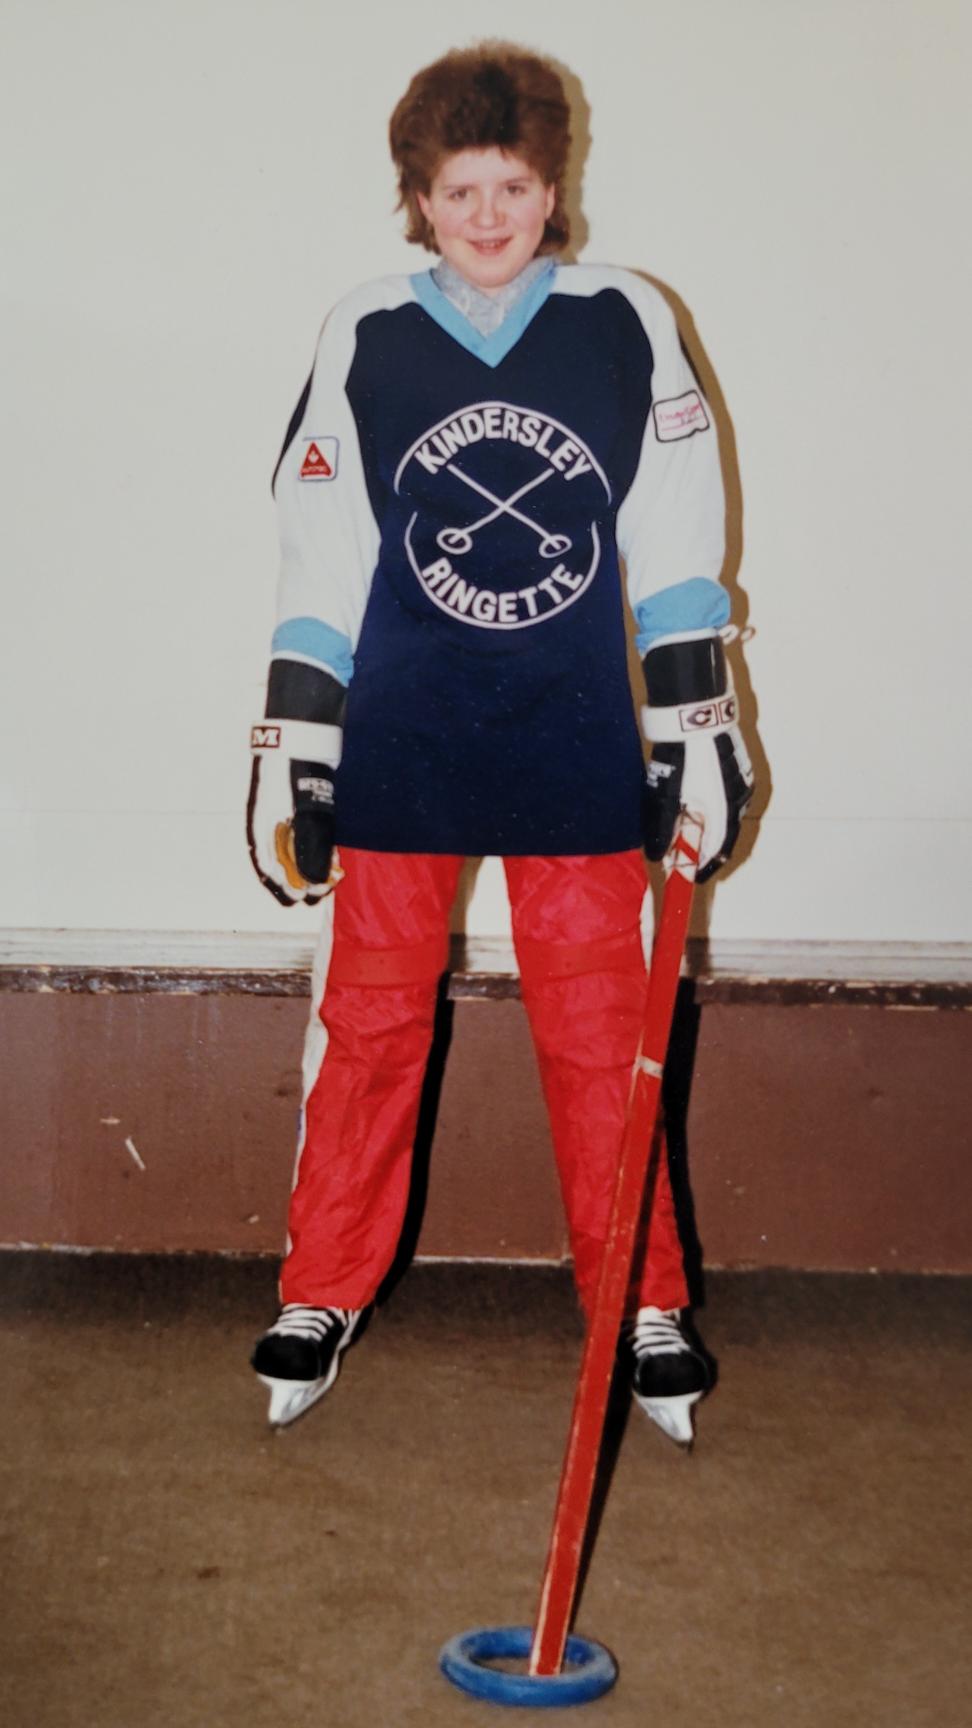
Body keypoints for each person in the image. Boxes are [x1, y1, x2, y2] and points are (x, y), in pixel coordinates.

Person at [246, 43, 754, 1445]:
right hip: (406, 729)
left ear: (552, 187)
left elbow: (673, 531)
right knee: (370, 1026)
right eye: (460, 188)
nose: (488, 214)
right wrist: (295, 737)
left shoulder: (621, 319)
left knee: (607, 1033)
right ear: (417, 195)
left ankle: (642, 1298)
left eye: (513, 185)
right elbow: (323, 549)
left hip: (575, 727)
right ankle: (323, 1285)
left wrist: (697, 719)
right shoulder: (367, 328)